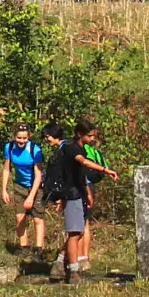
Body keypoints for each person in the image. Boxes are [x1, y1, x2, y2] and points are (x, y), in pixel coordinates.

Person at [51, 119, 121, 284]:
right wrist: (105, 170)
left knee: (79, 232)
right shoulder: (70, 148)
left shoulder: (81, 148)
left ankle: (60, 262)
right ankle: (73, 270)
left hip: (80, 192)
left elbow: (81, 174)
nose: (92, 139)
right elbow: (82, 162)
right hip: (71, 194)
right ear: (80, 134)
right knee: (74, 233)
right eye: (90, 136)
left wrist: (88, 192)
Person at [1, 124, 46, 255]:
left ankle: (38, 250)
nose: (21, 141)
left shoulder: (34, 150)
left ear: (29, 137)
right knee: (20, 217)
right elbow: (6, 169)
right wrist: (4, 189)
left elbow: (38, 175)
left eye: (24, 138)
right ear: (15, 137)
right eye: (19, 138)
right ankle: (24, 247)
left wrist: (31, 197)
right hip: (19, 185)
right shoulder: (9, 148)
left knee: (37, 218)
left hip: (35, 186)